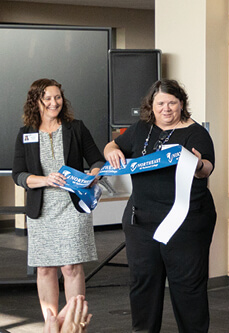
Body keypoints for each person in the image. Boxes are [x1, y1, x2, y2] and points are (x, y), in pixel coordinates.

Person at [103, 79, 217, 332]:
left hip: (186, 224)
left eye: (172, 103)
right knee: (143, 285)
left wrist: (197, 164)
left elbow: (206, 168)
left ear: (182, 104)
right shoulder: (140, 129)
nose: (166, 109)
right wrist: (111, 149)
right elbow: (114, 145)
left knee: (188, 288)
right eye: (160, 103)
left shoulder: (196, 133)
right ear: (151, 106)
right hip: (141, 223)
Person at [12, 79, 104, 321]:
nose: (55, 103)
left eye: (58, 97)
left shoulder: (76, 128)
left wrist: (92, 177)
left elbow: (97, 160)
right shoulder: (26, 134)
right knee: (44, 268)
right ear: (37, 102)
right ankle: (52, 324)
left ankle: (75, 324)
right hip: (41, 210)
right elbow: (18, 175)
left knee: (71, 267)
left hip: (72, 207)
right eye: (48, 98)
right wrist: (44, 180)